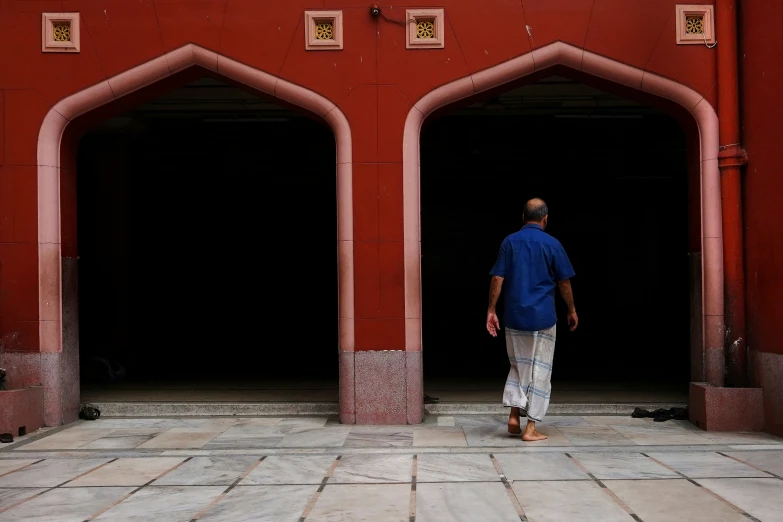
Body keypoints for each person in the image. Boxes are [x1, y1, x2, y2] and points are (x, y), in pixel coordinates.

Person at [486, 198, 577, 442]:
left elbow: (497, 278)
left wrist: (491, 309)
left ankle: (514, 416)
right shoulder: (552, 244)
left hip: (514, 316)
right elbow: (564, 281)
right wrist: (571, 309)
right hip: (543, 318)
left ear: (522, 216)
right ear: (545, 218)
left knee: (518, 365)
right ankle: (531, 428)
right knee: (541, 370)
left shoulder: (509, 242)